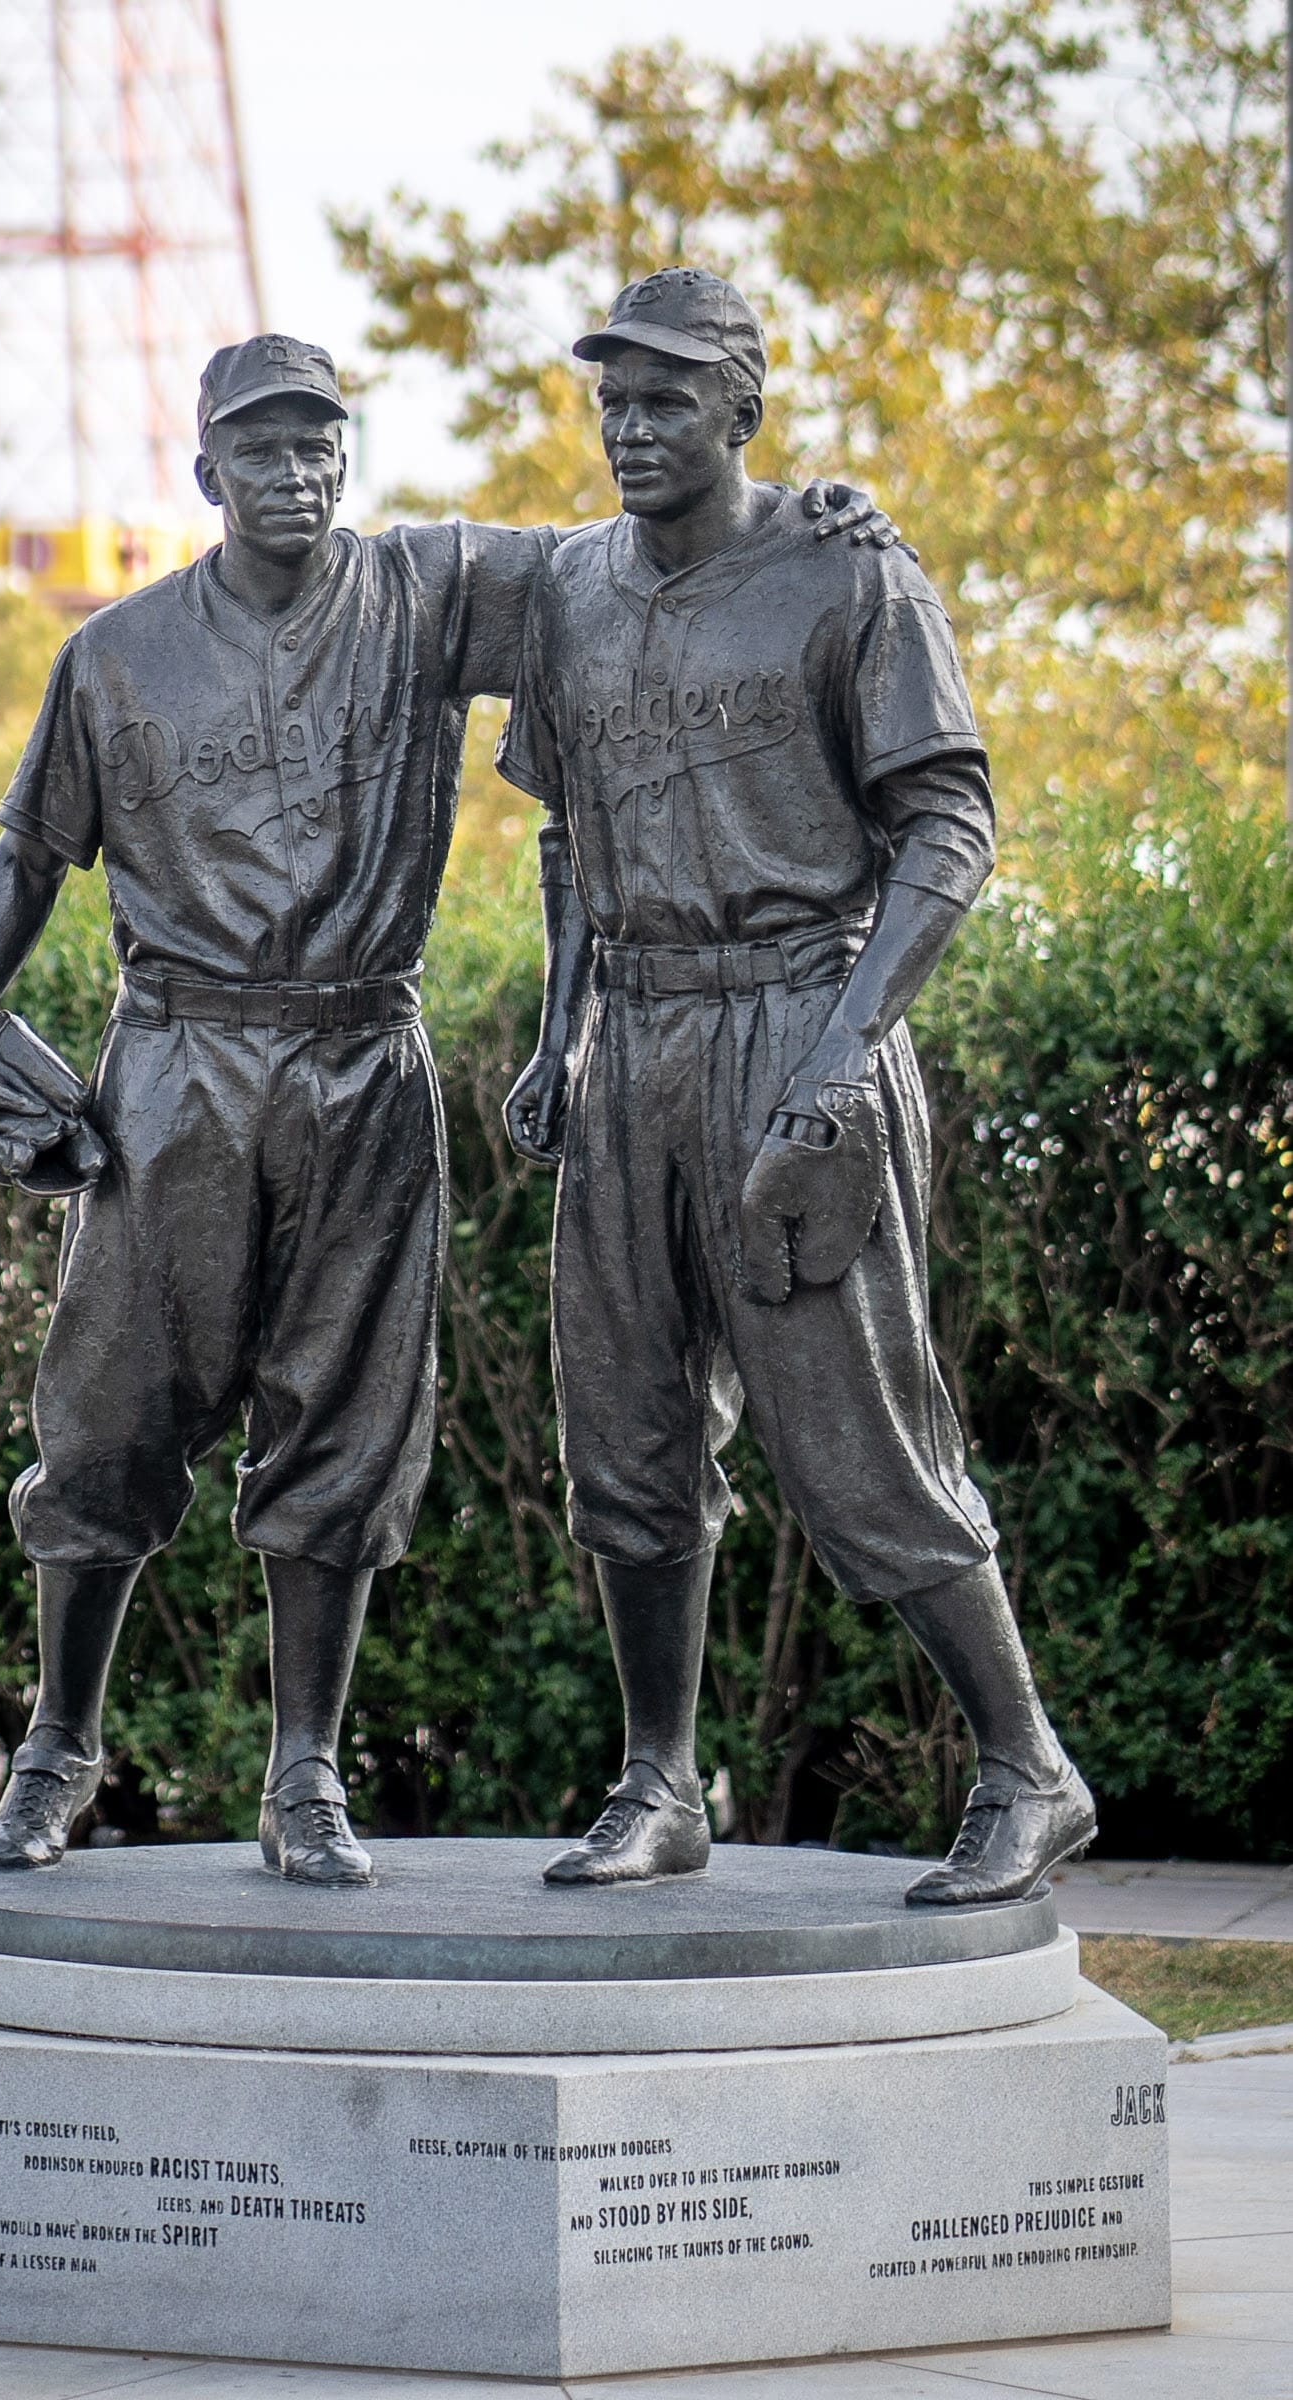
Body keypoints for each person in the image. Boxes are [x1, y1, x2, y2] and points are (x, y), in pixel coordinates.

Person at [0, 330, 898, 1883]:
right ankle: (58, 1750)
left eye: (318, 443)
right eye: (261, 448)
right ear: (206, 472)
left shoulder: (431, 587)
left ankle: (303, 1773)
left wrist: (808, 516)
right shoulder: (116, 654)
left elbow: (640, 548)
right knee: (106, 1420)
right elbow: (29, 851)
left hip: (361, 1062)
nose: (294, 471)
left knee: (344, 1429)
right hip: (177, 1062)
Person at [498, 268, 1095, 1906]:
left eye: (668, 399)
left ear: (743, 411)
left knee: (858, 1438)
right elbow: (568, 836)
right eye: (613, 400)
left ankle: (1028, 1768)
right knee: (624, 1440)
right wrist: (558, 1034)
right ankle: (659, 1783)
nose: (631, 428)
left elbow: (950, 830)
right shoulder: (568, 592)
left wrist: (837, 1067)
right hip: (634, 1045)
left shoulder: (850, 572)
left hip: (797, 1025)